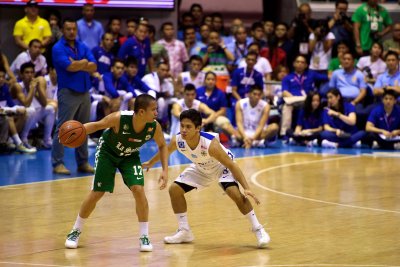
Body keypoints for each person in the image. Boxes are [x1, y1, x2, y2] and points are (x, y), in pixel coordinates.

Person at [142, 109, 270, 248]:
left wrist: (246, 188)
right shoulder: (178, 140)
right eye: (182, 126)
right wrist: (151, 162)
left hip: (222, 167)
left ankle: (259, 230)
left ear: (198, 128)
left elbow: (231, 165)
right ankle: (185, 231)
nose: (184, 130)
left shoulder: (210, 144)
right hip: (201, 168)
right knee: (174, 190)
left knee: (235, 194)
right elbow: (165, 151)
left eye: (188, 127)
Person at [64, 94, 169, 252]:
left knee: (139, 190)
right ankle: (75, 231)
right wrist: (75, 132)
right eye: (153, 110)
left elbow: (162, 146)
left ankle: (144, 236)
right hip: (108, 152)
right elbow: (97, 125)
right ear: (141, 112)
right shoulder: (119, 118)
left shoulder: (154, 127)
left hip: (130, 156)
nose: (156, 113)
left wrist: (165, 170)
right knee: (98, 192)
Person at [51, 18, 97, 175]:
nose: (71, 32)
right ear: (63, 30)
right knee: (63, 128)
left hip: (84, 91)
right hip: (68, 91)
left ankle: (83, 162)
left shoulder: (81, 45)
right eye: (68, 29)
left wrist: (80, 63)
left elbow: (94, 65)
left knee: (83, 128)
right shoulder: (58, 48)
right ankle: (57, 163)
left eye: (74, 29)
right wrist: (84, 64)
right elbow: (69, 67)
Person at [12, 62, 55, 150]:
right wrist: (32, 89)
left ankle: (47, 140)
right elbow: (26, 104)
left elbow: (44, 104)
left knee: (50, 109)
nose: (30, 75)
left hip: (31, 118)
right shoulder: (18, 86)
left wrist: (38, 88)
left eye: (32, 72)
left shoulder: (34, 85)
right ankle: (24, 140)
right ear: (21, 74)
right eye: (27, 72)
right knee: (31, 110)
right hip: (18, 118)